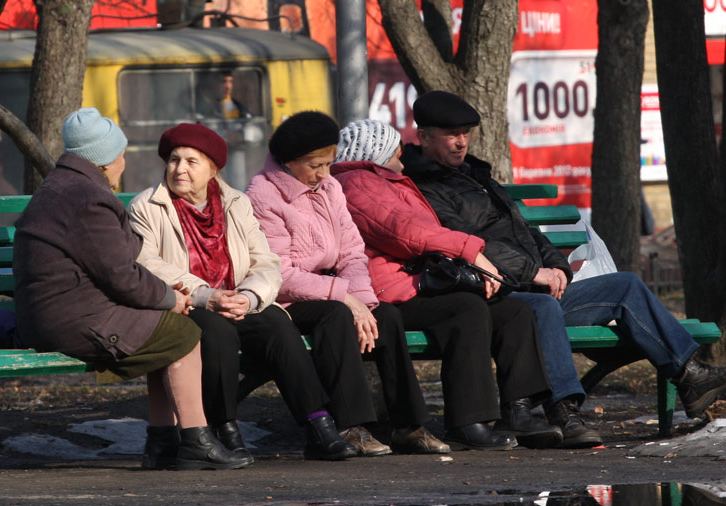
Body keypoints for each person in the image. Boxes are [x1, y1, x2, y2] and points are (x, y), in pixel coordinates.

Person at [400, 90, 726, 446]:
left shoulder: (476, 176)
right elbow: (471, 243)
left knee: (625, 285)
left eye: (465, 133)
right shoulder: (423, 188)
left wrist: (558, 268)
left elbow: (525, 232)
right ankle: (563, 412)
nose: (461, 142)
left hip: (535, 286)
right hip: (495, 297)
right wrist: (533, 273)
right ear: (424, 136)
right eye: (451, 134)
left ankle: (691, 375)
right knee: (542, 307)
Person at [247, 110, 537, 452]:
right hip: (290, 298)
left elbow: (352, 253)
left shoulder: (329, 187)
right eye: (315, 166)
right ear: (289, 161)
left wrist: (363, 302)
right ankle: (352, 426)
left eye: (327, 163)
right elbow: (280, 274)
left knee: (385, 316)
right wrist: (347, 299)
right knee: (337, 316)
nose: (324, 174)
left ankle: (408, 425)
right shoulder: (264, 195)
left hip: (336, 290)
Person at [13, 108, 250, 471]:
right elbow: (121, 275)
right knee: (183, 332)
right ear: (106, 160)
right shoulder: (88, 199)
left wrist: (166, 298)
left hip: (56, 313)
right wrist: (171, 299)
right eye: (122, 154)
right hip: (73, 319)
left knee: (160, 330)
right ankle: (196, 440)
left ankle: (162, 442)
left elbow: (121, 262)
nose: (123, 163)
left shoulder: (62, 187)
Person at [127, 122, 356, 462]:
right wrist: (206, 295)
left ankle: (317, 425)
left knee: (278, 325)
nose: (179, 169)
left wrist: (249, 297)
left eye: (191, 162)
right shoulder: (147, 206)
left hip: (238, 300)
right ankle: (224, 428)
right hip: (188, 304)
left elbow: (266, 262)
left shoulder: (236, 203)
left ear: (213, 170)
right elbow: (148, 265)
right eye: (174, 160)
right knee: (216, 330)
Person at [332, 119, 562, 449]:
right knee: (465, 310)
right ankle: (468, 422)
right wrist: (473, 253)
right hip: (388, 291)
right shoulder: (357, 183)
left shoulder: (383, 181)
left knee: (513, 312)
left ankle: (518, 412)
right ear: (377, 153)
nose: (402, 162)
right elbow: (404, 232)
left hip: (415, 282)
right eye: (396, 154)